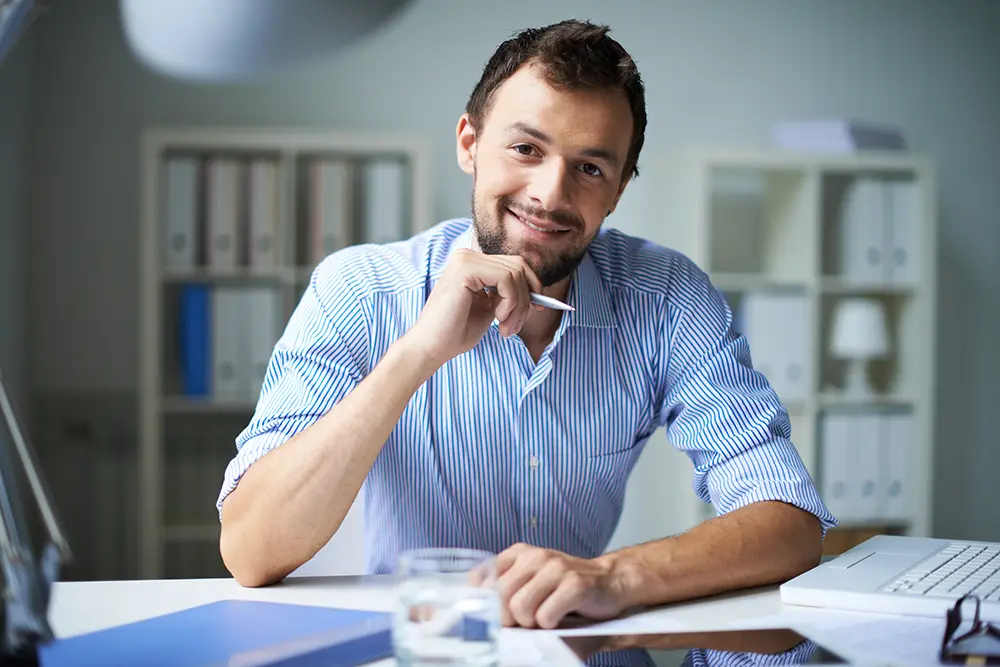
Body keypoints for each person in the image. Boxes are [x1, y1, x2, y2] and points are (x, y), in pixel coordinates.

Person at [217, 19, 836, 630]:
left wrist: (613, 578)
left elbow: (789, 520)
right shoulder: (359, 288)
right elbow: (250, 551)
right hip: (425, 647)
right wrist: (419, 352)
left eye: (590, 168)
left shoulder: (667, 298)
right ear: (469, 143)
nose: (550, 194)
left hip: (583, 645)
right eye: (526, 149)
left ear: (618, 188)